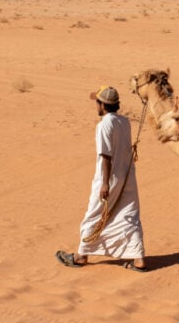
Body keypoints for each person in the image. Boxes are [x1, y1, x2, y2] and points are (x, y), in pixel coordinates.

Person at [56, 84, 146, 270]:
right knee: (129, 215)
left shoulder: (104, 125)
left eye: (97, 102)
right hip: (127, 176)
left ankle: (81, 255)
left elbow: (105, 155)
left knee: (95, 214)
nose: (96, 106)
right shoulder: (124, 121)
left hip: (109, 178)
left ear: (103, 105)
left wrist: (104, 183)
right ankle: (139, 259)